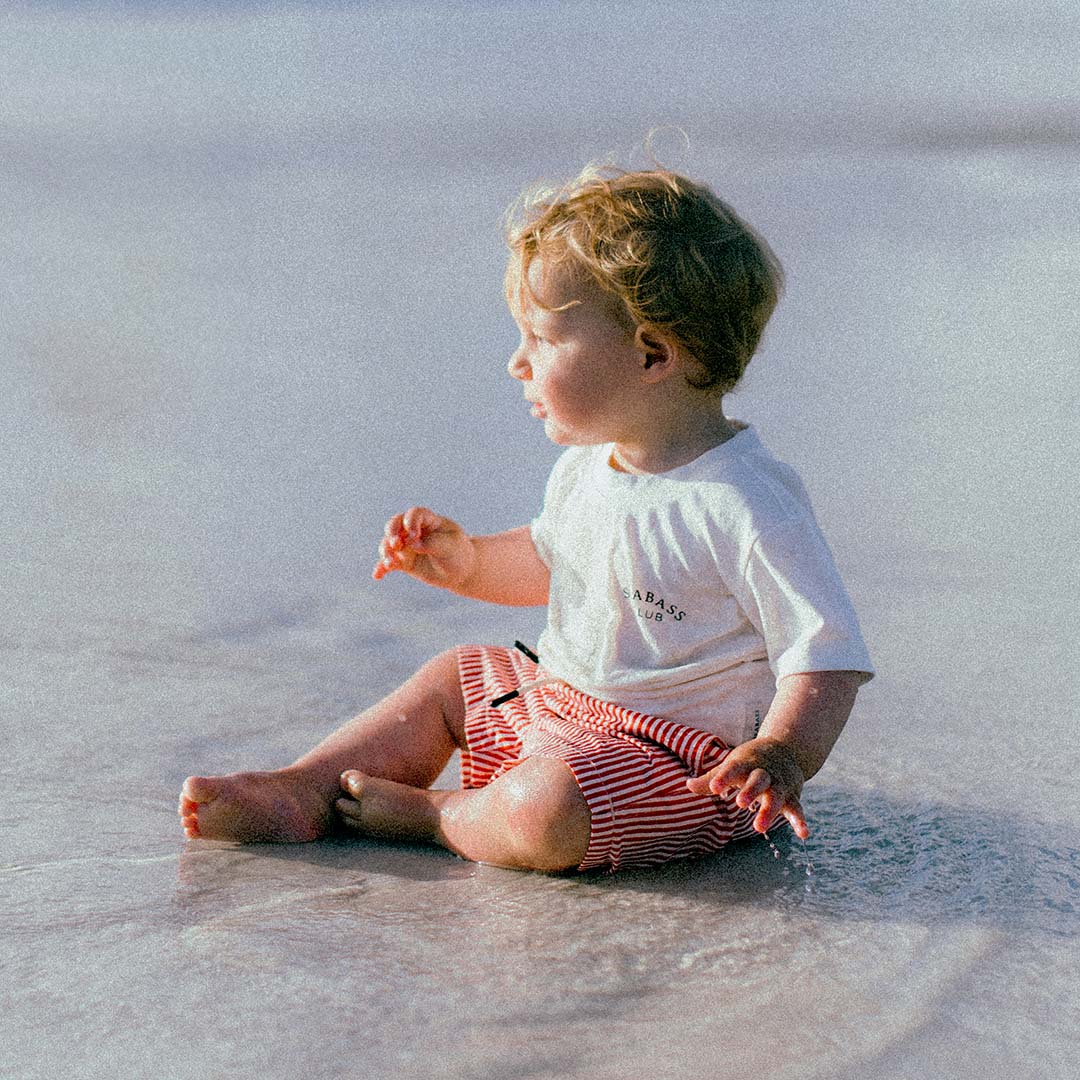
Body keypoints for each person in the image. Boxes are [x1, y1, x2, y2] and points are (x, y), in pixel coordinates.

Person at [179, 164, 873, 873]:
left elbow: (826, 656)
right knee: (455, 676)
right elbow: (553, 564)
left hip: (677, 767)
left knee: (545, 811)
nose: (517, 363)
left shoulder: (744, 502)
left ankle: (441, 816)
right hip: (557, 704)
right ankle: (306, 788)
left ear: (652, 353)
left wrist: (782, 755)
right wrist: (468, 561)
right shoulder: (590, 466)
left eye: (543, 339)